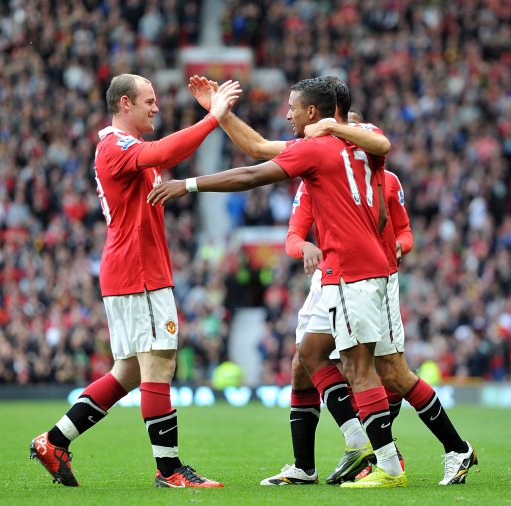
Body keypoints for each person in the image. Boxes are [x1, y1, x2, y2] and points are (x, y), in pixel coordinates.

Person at [148, 77, 408, 489]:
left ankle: (389, 466)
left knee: (361, 370)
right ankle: (334, 454)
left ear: (312, 112)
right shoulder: (354, 143)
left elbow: (251, 173)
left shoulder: (320, 146)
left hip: (352, 270)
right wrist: (221, 113)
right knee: (309, 354)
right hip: (358, 269)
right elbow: (256, 147)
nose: (287, 114)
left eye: (293, 108)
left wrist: (189, 184)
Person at [29, 73, 242, 489]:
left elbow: (164, 154)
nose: (156, 107)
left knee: (127, 372)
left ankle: (53, 442)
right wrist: (213, 117)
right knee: (159, 363)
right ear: (125, 103)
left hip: (130, 270)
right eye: (149, 100)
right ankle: (170, 470)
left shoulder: (127, 148)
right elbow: (166, 150)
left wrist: (209, 115)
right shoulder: (116, 146)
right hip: (139, 273)